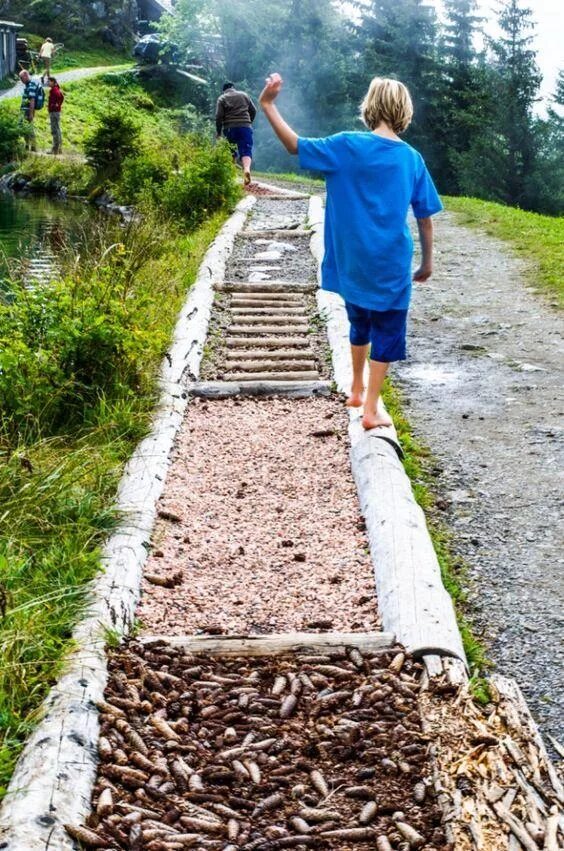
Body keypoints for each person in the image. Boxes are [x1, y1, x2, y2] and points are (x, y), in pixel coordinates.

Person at [259, 73, 443, 430]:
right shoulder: (412, 159)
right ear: (405, 111)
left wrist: (268, 104)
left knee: (359, 322)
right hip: (390, 263)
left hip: (351, 263)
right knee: (387, 331)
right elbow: (425, 218)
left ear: (369, 108)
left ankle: (356, 388)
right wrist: (427, 262)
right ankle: (371, 408)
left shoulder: (345, 146)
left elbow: (294, 145)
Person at [216, 81, 257, 186]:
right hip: (245, 127)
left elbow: (219, 116)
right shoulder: (244, 95)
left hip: (230, 128)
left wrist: (218, 132)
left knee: (231, 151)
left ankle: (231, 175)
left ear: (224, 90)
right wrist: (248, 122)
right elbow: (254, 110)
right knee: (246, 150)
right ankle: (247, 170)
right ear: (233, 88)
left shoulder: (222, 98)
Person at [19, 69, 38, 152]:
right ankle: (27, 145)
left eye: (21, 78)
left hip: (27, 111)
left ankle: (33, 147)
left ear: (26, 76)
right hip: (24, 110)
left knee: (29, 128)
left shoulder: (31, 85)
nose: (21, 80)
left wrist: (31, 113)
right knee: (25, 128)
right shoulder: (27, 85)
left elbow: (32, 100)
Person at [47, 77, 64, 154]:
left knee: (54, 130)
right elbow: (62, 97)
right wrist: (57, 105)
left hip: (54, 112)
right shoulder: (57, 89)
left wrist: (54, 106)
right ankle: (59, 149)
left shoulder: (54, 90)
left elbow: (60, 97)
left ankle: (55, 150)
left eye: (49, 81)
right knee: (58, 129)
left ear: (53, 82)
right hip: (56, 112)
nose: (48, 83)